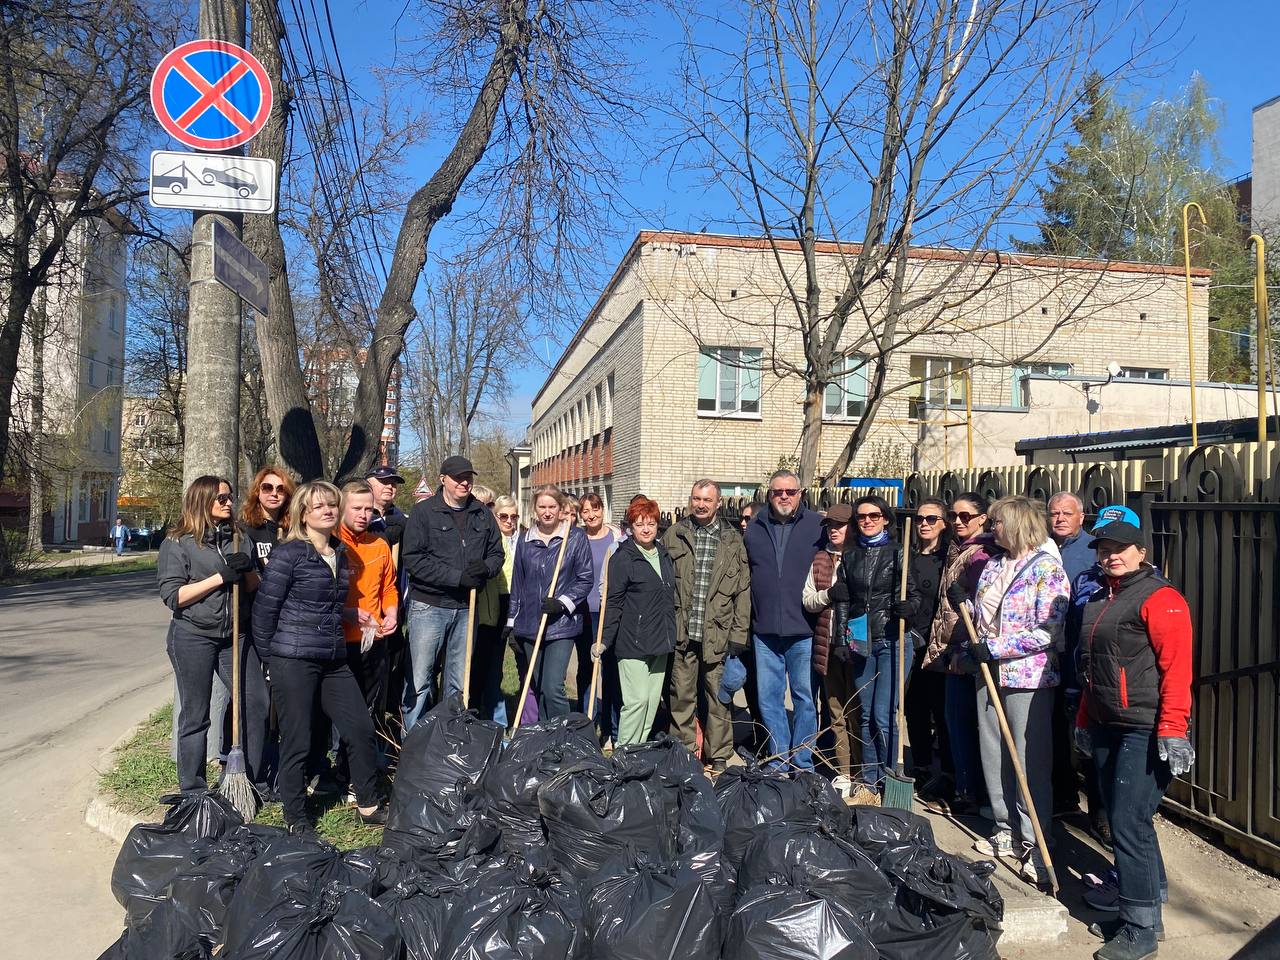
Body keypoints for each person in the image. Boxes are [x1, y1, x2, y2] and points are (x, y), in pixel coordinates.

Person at [1076, 519, 1193, 960]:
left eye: (1121, 547)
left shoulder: (1161, 599)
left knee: (1127, 823)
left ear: (1141, 551)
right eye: (1104, 548)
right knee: (1132, 821)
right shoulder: (1105, 597)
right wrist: (1086, 720)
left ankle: (1139, 929)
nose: (1111, 555)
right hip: (1108, 722)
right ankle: (1152, 903)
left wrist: (1173, 730)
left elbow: (1178, 670)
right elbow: (1093, 668)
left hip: (1146, 726)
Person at [252, 480, 388, 835]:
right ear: (303, 514)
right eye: (319, 506)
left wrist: (348, 614)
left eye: (331, 504)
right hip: (293, 659)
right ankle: (296, 816)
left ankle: (368, 805)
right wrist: (272, 660)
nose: (327, 510)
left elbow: (320, 602)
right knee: (299, 738)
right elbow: (265, 612)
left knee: (359, 728)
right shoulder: (289, 554)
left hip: (332, 656)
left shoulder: (340, 552)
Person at [968, 495, 1070, 885]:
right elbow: (984, 614)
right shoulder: (995, 564)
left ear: (1017, 525)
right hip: (987, 670)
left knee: (1028, 760)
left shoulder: (1047, 571)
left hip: (1027, 676)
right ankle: (1005, 827)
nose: (993, 529)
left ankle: (1034, 841)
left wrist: (994, 647)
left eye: (998, 523)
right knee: (993, 751)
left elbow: (1049, 630)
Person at [157, 476, 261, 793]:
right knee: (196, 713)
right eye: (222, 499)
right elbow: (173, 596)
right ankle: (193, 788)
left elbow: (254, 586)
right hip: (193, 636)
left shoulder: (239, 538)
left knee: (255, 701)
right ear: (203, 501)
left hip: (234, 636)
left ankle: (245, 779)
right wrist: (220, 576)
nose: (229, 503)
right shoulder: (177, 542)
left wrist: (247, 571)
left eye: (230, 497)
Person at [400, 456, 503, 730]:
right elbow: (414, 560)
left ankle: (450, 740)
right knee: (420, 679)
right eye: (458, 477)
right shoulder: (423, 513)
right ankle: (411, 743)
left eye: (468, 476)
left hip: (467, 609)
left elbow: (496, 553)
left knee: (459, 681)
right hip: (429, 607)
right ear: (443, 479)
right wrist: (458, 578)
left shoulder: (482, 513)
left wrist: (485, 569)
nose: (464, 482)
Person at [921, 492, 999, 814]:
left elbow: (984, 611)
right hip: (952, 647)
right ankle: (962, 786)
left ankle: (970, 794)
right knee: (953, 722)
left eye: (965, 516)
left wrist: (963, 648)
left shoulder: (981, 554)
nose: (957, 521)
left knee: (964, 723)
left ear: (982, 518)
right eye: (954, 515)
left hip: (967, 651)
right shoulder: (960, 548)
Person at [665, 480, 751, 773]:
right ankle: (685, 751)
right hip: (682, 630)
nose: (701, 504)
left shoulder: (732, 540)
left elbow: (743, 591)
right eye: (696, 498)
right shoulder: (675, 535)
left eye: (707, 500)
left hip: (718, 633)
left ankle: (719, 755)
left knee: (718, 698)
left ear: (718, 503)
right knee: (682, 695)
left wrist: (739, 634)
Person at [743, 469, 824, 769]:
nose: (784, 497)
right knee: (769, 699)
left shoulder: (817, 525)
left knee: (804, 699)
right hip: (764, 631)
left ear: (800, 494)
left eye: (790, 491)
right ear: (770, 494)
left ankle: (802, 761)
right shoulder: (755, 527)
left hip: (803, 628)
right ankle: (777, 760)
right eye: (778, 492)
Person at [333, 481, 398, 794]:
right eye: (356, 508)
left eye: (368, 509)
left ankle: (356, 774)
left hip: (373, 641)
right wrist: (345, 614)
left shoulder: (380, 544)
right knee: (347, 714)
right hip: (337, 642)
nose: (362, 515)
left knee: (369, 711)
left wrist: (392, 613)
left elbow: (388, 588)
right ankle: (335, 772)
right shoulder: (330, 542)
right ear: (342, 508)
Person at [507, 485, 594, 719]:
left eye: (552, 507)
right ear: (534, 509)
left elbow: (585, 579)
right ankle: (544, 740)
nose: (547, 512)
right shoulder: (526, 539)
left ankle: (564, 737)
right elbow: (518, 582)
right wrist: (511, 618)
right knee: (539, 686)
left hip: (561, 624)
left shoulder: (575, 538)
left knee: (553, 686)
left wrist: (563, 602)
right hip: (530, 623)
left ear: (560, 508)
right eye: (542, 507)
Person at [597, 496, 676, 745]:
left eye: (651, 524)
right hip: (633, 641)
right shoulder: (623, 558)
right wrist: (604, 641)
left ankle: (638, 752)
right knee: (637, 701)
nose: (646, 529)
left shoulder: (663, 555)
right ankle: (623, 752)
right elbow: (613, 603)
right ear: (631, 527)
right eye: (640, 524)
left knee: (652, 703)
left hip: (660, 641)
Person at [236, 465, 295, 797]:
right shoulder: (246, 531)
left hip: (286, 626)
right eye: (267, 488)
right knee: (254, 701)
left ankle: (276, 766)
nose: (274, 493)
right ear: (256, 491)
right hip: (252, 624)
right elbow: (247, 578)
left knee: (280, 702)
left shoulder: (292, 532)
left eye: (280, 489)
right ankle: (250, 772)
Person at [840, 495, 903, 791]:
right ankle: (868, 779)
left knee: (883, 714)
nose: (867, 521)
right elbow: (844, 600)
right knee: (864, 715)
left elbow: (913, 596)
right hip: (860, 638)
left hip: (891, 639)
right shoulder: (850, 556)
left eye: (874, 516)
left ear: (885, 519)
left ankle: (889, 778)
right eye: (862, 517)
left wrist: (908, 609)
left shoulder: (899, 553)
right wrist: (843, 635)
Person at [1048, 491, 1096, 819]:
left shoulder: (1093, 551)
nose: (1060, 518)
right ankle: (1063, 795)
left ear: (1081, 517)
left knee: (1086, 736)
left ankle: (1099, 814)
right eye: (1054, 513)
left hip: (1082, 656)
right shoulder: (1043, 547)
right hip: (1049, 654)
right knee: (1053, 730)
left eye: (1067, 513)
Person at [801, 503, 855, 794]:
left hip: (858, 647)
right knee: (836, 711)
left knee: (859, 710)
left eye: (840, 525)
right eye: (830, 526)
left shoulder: (861, 557)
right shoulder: (820, 559)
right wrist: (828, 595)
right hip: (828, 645)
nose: (834, 530)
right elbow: (807, 599)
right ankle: (844, 772)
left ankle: (863, 771)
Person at [899, 497, 951, 786]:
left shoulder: (947, 560)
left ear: (943, 524)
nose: (924, 524)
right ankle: (919, 765)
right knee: (915, 710)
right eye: (920, 519)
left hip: (938, 646)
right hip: (911, 643)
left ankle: (945, 772)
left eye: (931, 519)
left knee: (941, 713)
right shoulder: (907, 557)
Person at [472, 494, 520, 724]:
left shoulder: (522, 538)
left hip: (515, 604)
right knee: (484, 667)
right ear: (495, 515)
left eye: (514, 516)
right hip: (492, 608)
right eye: (504, 516)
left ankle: (498, 719)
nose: (509, 521)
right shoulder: (492, 539)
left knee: (498, 666)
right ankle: (484, 717)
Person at [578, 492, 621, 742]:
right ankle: (586, 725)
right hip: (584, 612)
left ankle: (610, 728)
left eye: (595, 509)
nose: (591, 515)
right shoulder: (577, 538)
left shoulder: (615, 538)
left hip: (608, 612)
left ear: (602, 510)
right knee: (586, 669)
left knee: (610, 671)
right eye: (585, 511)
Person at [365, 466, 407, 547]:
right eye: (384, 482)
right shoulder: (358, 517)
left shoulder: (404, 519)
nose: (390, 487)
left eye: (393, 483)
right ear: (368, 485)